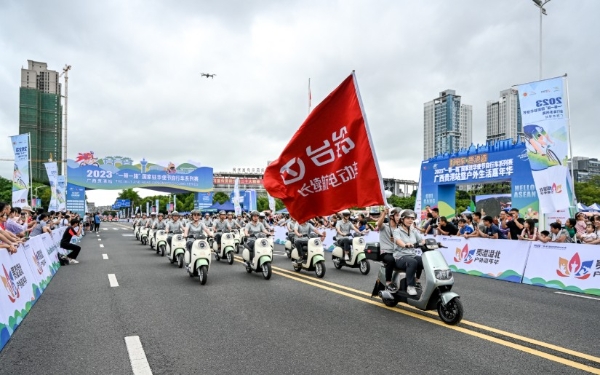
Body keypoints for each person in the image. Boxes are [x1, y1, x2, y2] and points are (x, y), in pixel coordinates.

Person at [392, 209, 424, 296]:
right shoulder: (397, 231)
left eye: (412, 218)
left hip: (411, 255)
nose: (410, 220)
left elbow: (421, 240)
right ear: (402, 219)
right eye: (408, 218)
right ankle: (410, 286)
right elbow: (398, 241)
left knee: (422, 260)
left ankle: (417, 280)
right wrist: (405, 245)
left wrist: (433, 243)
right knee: (413, 262)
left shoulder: (414, 231)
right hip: (400, 257)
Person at [376, 207, 401, 289]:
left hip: (397, 252)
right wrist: (384, 213)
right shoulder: (385, 227)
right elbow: (379, 224)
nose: (399, 218)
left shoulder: (400, 229)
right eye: (397, 215)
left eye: (399, 216)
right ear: (391, 217)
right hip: (386, 252)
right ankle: (388, 282)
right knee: (391, 260)